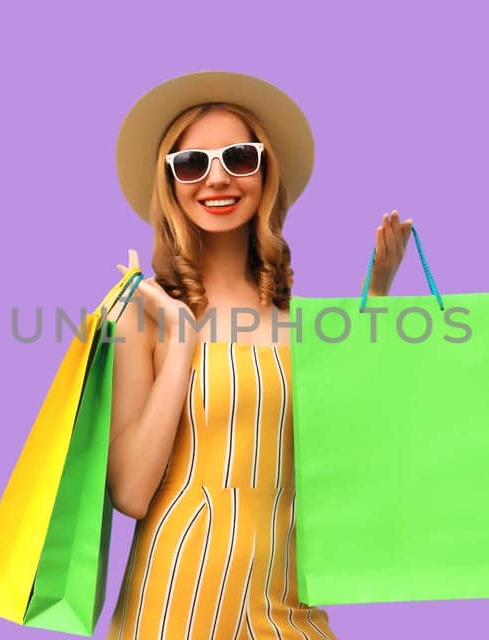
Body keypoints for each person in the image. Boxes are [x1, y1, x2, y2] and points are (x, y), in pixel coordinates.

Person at [102, 71, 411, 640]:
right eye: (192, 163)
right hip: (179, 594)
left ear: (265, 171)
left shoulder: (304, 326)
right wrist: (183, 343)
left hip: (286, 593)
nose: (216, 178)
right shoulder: (140, 314)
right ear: (169, 184)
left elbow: (344, 465)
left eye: (238, 157)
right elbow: (130, 492)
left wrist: (377, 305)